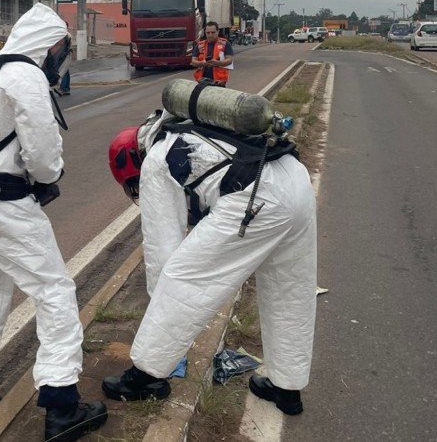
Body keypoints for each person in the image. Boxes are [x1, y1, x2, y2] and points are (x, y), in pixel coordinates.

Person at [0, 3, 107, 441]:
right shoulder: (24, 75)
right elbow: (44, 156)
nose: (60, 56)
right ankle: (62, 405)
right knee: (54, 291)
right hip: (0, 203)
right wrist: (47, 178)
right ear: (49, 44)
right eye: (61, 48)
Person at [104, 107, 317, 416]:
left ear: (130, 162)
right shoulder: (189, 130)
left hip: (257, 199)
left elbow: (162, 251)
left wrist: (161, 300)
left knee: (183, 279)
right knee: (290, 290)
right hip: (296, 182)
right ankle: (287, 388)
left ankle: (146, 377)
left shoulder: (154, 158)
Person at [190, 21, 234, 87]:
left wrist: (218, 63)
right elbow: (193, 61)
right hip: (202, 81)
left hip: (219, 82)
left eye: (213, 32)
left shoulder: (225, 43)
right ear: (205, 33)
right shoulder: (200, 45)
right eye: (208, 33)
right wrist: (202, 63)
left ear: (218, 32)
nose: (210, 35)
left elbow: (229, 60)